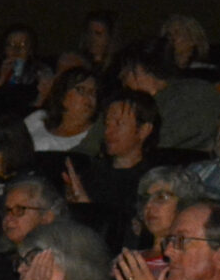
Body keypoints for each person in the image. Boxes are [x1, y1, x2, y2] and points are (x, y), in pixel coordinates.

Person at [63, 91, 160, 220]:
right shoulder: (91, 173)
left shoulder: (152, 182)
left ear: (143, 130)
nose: (109, 131)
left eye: (119, 124)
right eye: (107, 124)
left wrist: (86, 207)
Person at [117, 40, 220, 153]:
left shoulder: (191, 94)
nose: (121, 77)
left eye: (126, 71)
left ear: (141, 69)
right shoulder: (197, 89)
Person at [118, 164, 201, 257]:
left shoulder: (191, 261)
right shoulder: (130, 259)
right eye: (146, 198)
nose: (148, 205)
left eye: (161, 198)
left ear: (185, 204)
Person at [25, 67, 101, 154]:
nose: (89, 97)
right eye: (81, 90)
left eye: (93, 92)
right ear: (63, 95)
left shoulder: (96, 135)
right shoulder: (38, 119)